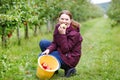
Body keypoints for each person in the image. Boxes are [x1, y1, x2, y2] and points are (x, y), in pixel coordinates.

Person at [38, 10, 83, 77]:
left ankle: (68, 68)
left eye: (66, 19)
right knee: (43, 43)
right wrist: (48, 50)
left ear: (70, 21)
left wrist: (62, 34)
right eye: (62, 19)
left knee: (43, 56)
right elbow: (55, 43)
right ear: (58, 19)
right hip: (61, 50)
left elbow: (65, 50)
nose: (64, 21)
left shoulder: (75, 33)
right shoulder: (58, 27)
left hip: (70, 57)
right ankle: (54, 68)